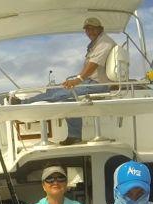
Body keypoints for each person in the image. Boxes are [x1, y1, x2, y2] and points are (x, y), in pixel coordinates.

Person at [10, 17, 116, 145]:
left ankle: (22, 103)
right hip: (90, 81)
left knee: (57, 93)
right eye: (87, 29)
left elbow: (93, 65)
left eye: (93, 29)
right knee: (65, 98)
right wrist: (77, 79)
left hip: (98, 85)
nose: (90, 32)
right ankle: (74, 136)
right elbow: (89, 68)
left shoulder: (104, 43)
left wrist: (78, 80)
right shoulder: (97, 43)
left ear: (101, 29)